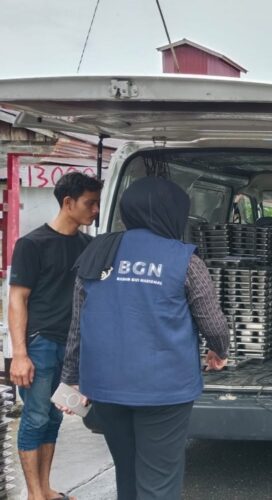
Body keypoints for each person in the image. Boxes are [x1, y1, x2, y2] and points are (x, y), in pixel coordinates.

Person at [60, 177, 229, 500]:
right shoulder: (184, 260)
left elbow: (78, 323)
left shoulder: (99, 251)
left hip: (106, 387)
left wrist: (71, 379)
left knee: (127, 471)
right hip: (164, 390)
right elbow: (213, 323)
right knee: (159, 481)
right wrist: (219, 350)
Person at [9, 172, 102, 500]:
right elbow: (17, 299)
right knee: (35, 417)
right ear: (68, 202)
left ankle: (45, 489)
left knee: (54, 417)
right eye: (90, 203)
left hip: (72, 347)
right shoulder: (32, 244)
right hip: (40, 343)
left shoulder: (88, 247)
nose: (95, 210)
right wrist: (19, 354)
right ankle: (34, 494)